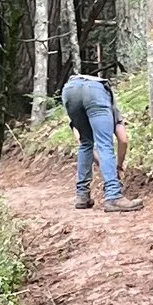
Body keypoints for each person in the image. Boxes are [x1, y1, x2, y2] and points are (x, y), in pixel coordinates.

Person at [59, 67, 139, 211]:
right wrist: (118, 167)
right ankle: (113, 196)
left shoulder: (74, 90)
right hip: (95, 90)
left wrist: (101, 163)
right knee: (105, 144)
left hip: (69, 89)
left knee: (86, 143)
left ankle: (82, 195)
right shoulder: (108, 99)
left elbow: (81, 141)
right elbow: (123, 139)